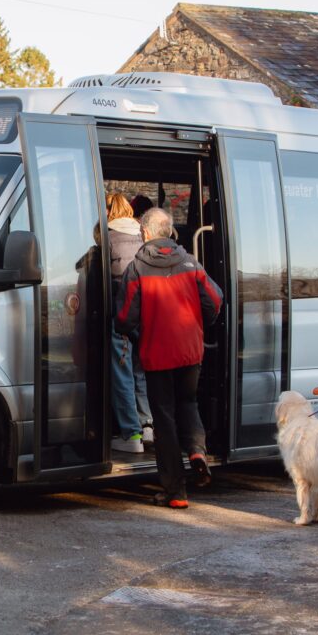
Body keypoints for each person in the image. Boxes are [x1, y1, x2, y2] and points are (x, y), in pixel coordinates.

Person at [116, 207, 222, 508]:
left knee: (164, 419)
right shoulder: (190, 262)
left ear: (145, 233)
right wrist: (200, 324)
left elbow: (125, 316)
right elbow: (215, 299)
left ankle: (176, 492)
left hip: (157, 353)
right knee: (188, 402)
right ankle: (198, 450)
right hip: (190, 350)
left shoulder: (137, 268)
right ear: (169, 232)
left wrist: (124, 329)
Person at [106, 193, 153, 452]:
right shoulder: (143, 236)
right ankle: (147, 425)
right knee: (140, 370)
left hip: (120, 314)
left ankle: (131, 434)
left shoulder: (107, 237)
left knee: (121, 372)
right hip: (144, 312)